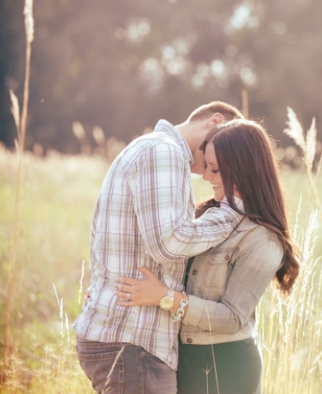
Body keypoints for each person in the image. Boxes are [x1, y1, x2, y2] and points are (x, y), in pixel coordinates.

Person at [115, 119, 301, 394]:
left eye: (214, 169)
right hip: (183, 357)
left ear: (242, 171)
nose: (206, 176)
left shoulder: (263, 240)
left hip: (225, 362)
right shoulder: (206, 218)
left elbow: (231, 317)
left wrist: (164, 297)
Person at [74, 102, 245, 393]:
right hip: (131, 340)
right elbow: (170, 243)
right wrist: (231, 212)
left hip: (128, 339)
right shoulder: (163, 152)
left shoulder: (157, 151)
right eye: (221, 156)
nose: (214, 173)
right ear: (214, 122)